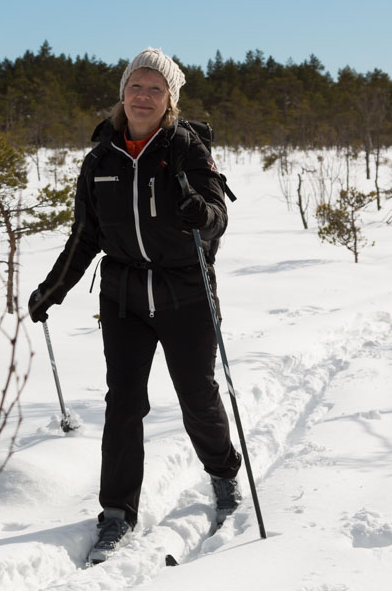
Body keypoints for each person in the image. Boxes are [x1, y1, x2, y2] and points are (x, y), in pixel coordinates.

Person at [26, 47, 242, 565]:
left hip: (186, 294)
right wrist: (54, 288)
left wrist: (202, 214)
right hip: (123, 299)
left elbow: (217, 213)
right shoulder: (100, 159)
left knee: (197, 393)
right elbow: (85, 235)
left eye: (155, 88)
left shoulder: (185, 147)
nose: (143, 96)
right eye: (135, 86)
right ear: (122, 93)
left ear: (169, 99)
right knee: (123, 403)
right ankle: (117, 513)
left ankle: (224, 476)